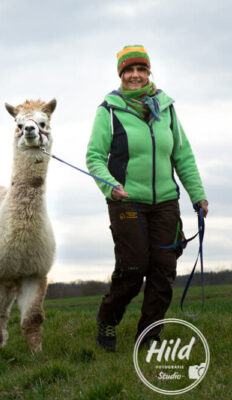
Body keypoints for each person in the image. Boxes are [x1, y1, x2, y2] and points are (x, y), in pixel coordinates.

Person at [86, 45, 208, 352]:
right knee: (133, 267)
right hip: (126, 200)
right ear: (121, 74)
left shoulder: (165, 107)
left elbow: (182, 155)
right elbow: (95, 157)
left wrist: (198, 195)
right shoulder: (109, 110)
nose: (135, 75)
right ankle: (108, 319)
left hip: (166, 201)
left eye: (141, 69)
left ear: (148, 72)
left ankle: (149, 335)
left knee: (164, 269)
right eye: (129, 70)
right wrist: (110, 186)